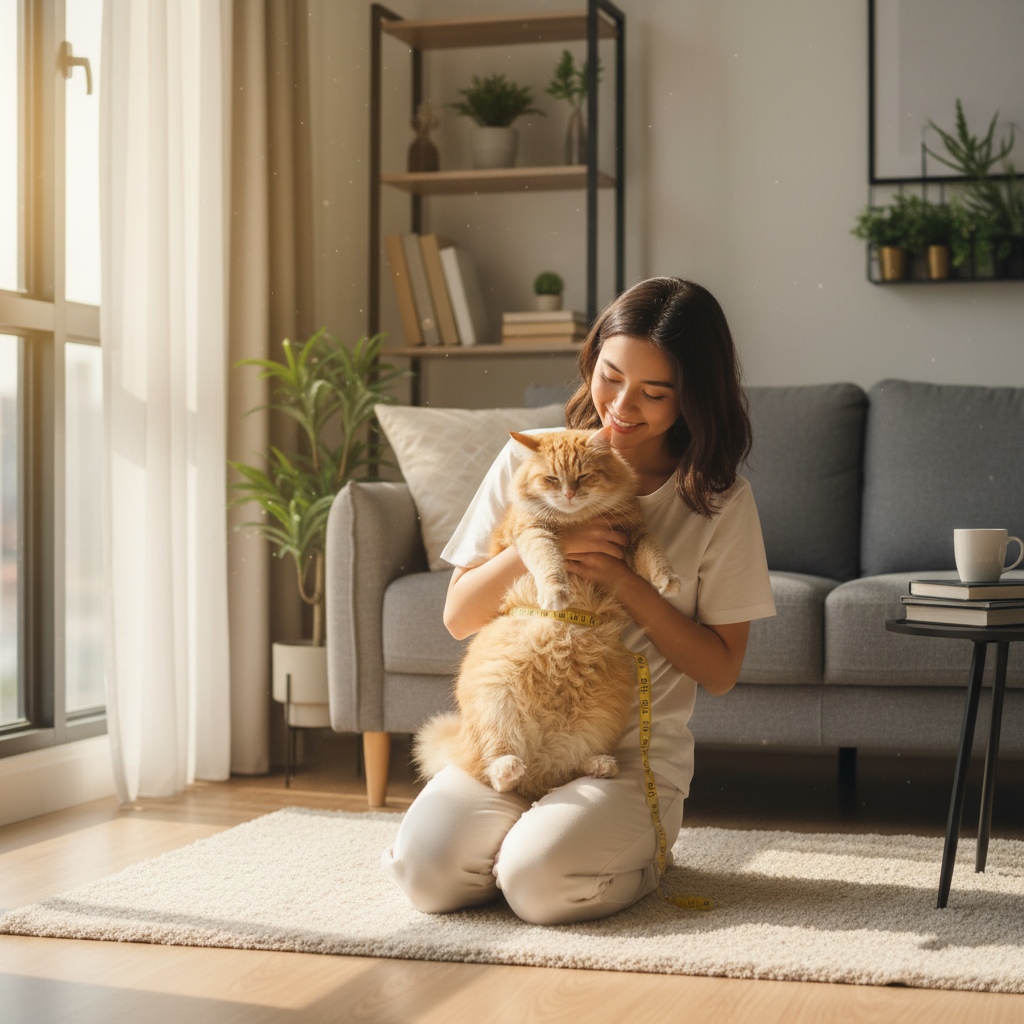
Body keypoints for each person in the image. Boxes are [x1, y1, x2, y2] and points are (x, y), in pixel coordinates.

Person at [382, 277, 776, 925]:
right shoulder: (532, 459)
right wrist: (548, 548)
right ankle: (522, 845)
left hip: (621, 758)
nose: (622, 407)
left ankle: (619, 855)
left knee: (538, 884)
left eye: (654, 392)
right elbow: (459, 616)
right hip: (512, 741)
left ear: (694, 396)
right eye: (610, 375)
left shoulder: (718, 501)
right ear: (590, 360)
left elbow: (720, 670)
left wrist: (624, 582)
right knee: (427, 878)